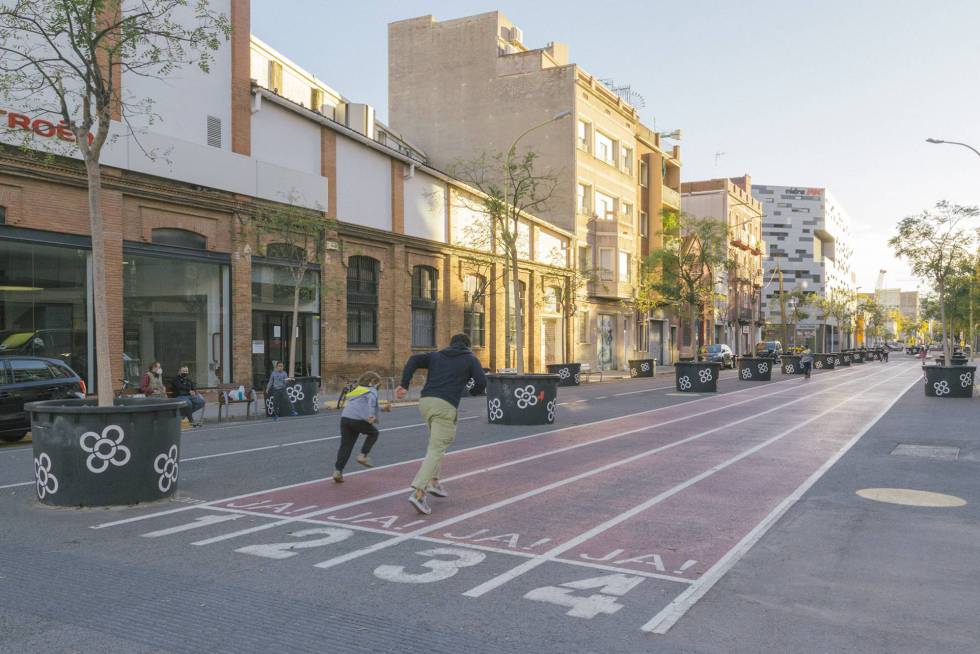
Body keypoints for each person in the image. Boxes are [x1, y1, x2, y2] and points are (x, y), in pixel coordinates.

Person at [395, 333, 487, 515]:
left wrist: (404, 384)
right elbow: (481, 382)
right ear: (467, 346)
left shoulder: (437, 355)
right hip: (445, 405)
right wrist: (473, 390)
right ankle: (419, 493)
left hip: (426, 402)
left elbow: (413, 359)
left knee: (437, 443)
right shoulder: (470, 359)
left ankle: (434, 482)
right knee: (437, 448)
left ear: (451, 344)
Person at [332, 372, 382, 483]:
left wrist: (383, 409)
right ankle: (363, 455)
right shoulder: (371, 389)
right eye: (378, 383)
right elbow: (371, 402)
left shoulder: (357, 389)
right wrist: (371, 416)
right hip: (357, 420)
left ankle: (337, 471)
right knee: (374, 433)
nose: (379, 386)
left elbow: (361, 403)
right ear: (372, 382)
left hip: (345, 418)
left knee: (346, 446)